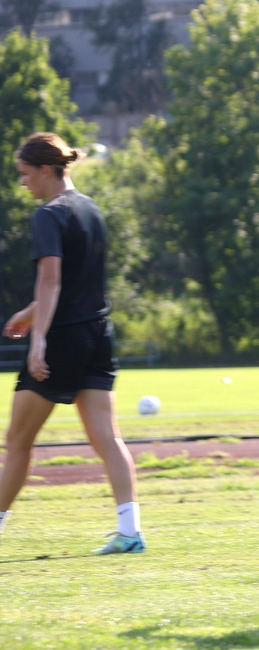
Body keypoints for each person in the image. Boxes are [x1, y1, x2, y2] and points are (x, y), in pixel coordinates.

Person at [0, 133, 145, 554]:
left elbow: (52, 279)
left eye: (26, 174)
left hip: (63, 338)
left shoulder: (49, 214)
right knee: (107, 438)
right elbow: (78, 284)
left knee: (18, 442)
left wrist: (38, 338)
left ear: (46, 169)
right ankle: (130, 532)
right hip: (99, 334)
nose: (23, 183)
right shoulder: (91, 209)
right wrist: (28, 316)